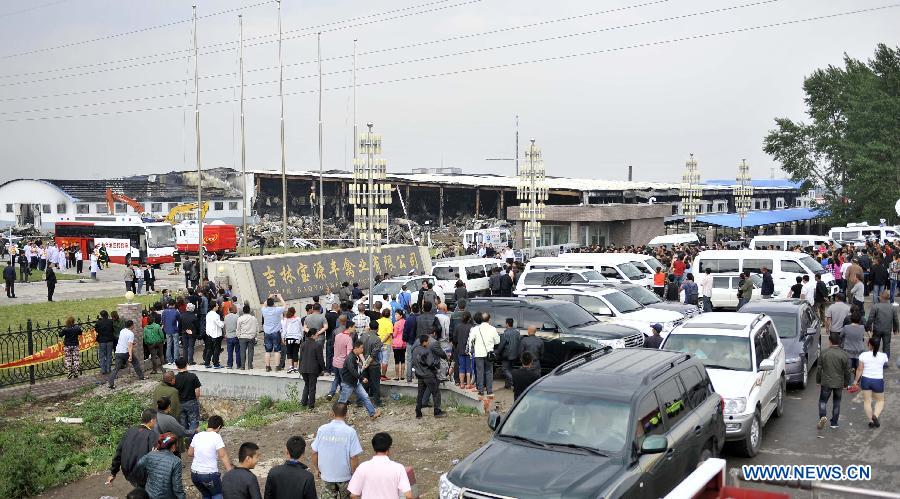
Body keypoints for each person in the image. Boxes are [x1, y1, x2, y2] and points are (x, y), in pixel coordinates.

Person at [312, 403, 365, 499]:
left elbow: (314, 452)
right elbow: (353, 457)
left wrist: (317, 469)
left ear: (332, 413)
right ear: (347, 414)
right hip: (345, 477)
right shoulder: (350, 432)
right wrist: (354, 474)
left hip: (327, 475)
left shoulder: (322, 429)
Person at [347, 433, 413, 499]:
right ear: (388, 448)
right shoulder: (398, 468)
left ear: (374, 448)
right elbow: (408, 495)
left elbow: (353, 495)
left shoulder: (362, 467)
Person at [107, 408, 158, 487]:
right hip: (143, 476)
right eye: (156, 420)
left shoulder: (129, 431)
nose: (156, 423)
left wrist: (113, 473)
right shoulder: (152, 435)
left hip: (128, 473)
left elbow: (118, 453)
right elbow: (154, 458)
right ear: (152, 420)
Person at [189, 415, 233, 499]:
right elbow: (222, 455)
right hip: (209, 475)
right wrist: (230, 472)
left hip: (194, 474)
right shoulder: (216, 436)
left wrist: (201, 453)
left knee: (206, 495)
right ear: (219, 427)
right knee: (217, 494)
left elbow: (190, 453)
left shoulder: (197, 435)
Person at [816, 332, 852, 430]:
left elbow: (819, 368)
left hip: (826, 382)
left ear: (830, 341)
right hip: (839, 383)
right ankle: (834, 423)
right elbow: (847, 371)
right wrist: (847, 383)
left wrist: (818, 380)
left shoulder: (824, 353)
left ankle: (823, 416)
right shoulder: (844, 354)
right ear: (839, 342)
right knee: (837, 402)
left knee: (823, 401)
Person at [338, 341, 382, 419]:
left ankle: (372, 414)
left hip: (356, 382)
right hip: (348, 383)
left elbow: (355, 368)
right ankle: (337, 416)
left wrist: (361, 366)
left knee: (365, 397)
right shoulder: (350, 358)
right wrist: (362, 378)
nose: (362, 349)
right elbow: (352, 371)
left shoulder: (355, 356)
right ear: (356, 348)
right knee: (342, 401)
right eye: (361, 347)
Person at [135, 432, 186, 499]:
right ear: (173, 446)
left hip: (150, 493)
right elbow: (177, 487)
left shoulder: (151, 455)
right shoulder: (176, 461)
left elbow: (139, 464)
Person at [853, 337, 889, 429]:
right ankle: (875, 415)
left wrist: (855, 381)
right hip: (878, 381)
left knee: (867, 401)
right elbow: (885, 362)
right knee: (880, 401)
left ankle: (870, 421)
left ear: (869, 344)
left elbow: (860, 369)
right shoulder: (883, 356)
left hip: (866, 380)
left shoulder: (863, 355)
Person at [413, 334, 446, 419]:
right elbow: (430, 363)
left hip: (420, 375)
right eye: (428, 341)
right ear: (424, 342)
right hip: (428, 375)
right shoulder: (425, 351)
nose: (428, 343)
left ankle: (418, 412)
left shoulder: (415, 350)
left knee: (420, 394)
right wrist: (436, 366)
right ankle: (437, 412)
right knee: (436, 393)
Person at [469, 312, 500, 400]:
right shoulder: (493, 329)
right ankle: (489, 390)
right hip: (489, 353)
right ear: (489, 319)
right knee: (489, 371)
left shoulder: (475, 329)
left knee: (480, 372)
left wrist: (471, 351)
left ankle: (481, 390)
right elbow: (497, 341)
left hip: (478, 353)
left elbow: (471, 340)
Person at [109, 320, 145, 389]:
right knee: (135, 363)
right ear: (131, 325)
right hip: (125, 352)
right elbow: (129, 346)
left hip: (118, 351)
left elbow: (124, 340)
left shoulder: (122, 331)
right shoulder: (131, 333)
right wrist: (130, 355)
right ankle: (141, 377)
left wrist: (132, 343)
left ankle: (111, 383)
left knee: (116, 368)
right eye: (133, 325)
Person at [327, 319, 354, 401]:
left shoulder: (338, 335)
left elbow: (334, 347)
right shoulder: (348, 338)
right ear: (349, 328)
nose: (355, 329)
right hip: (343, 363)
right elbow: (349, 353)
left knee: (336, 378)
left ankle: (331, 393)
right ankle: (344, 399)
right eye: (354, 327)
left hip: (335, 361)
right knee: (344, 381)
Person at [867, 290, 898, 360]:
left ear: (880, 297)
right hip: (887, 330)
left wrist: (868, 328)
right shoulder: (892, 307)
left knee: (875, 344)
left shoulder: (875, 306)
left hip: (877, 329)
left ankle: (874, 358)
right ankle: (885, 361)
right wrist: (895, 329)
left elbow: (870, 318)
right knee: (886, 345)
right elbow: (895, 320)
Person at [298, 327, 325, 409]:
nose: (318, 335)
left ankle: (303, 402)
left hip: (303, 368)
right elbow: (320, 359)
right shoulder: (317, 345)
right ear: (313, 335)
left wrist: (300, 368)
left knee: (307, 385)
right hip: (313, 369)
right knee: (312, 386)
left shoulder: (303, 344)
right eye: (317, 333)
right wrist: (323, 368)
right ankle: (311, 405)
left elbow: (301, 357)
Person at [175, 357, 202, 432]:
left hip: (180, 403)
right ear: (187, 365)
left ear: (176, 366)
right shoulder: (193, 376)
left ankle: (185, 440)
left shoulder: (175, 378)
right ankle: (192, 440)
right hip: (191, 401)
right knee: (193, 422)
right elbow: (197, 391)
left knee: (183, 423)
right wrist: (196, 399)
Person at [261, 294, 286, 372]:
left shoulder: (264, 310)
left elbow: (264, 304)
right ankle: (277, 366)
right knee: (277, 350)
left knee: (267, 350)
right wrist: (280, 297)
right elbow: (285, 305)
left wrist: (269, 297)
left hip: (267, 333)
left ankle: (267, 367)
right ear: (274, 304)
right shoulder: (277, 310)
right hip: (276, 332)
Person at [496, 317, 521, 389]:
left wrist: (498, 353)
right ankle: (507, 385)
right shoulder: (517, 333)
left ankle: (514, 382)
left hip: (507, 355)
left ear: (507, 324)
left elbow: (501, 345)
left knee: (504, 369)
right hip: (515, 355)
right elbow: (519, 343)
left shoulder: (505, 334)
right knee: (510, 369)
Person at [236, 304, 258, 370]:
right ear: (249, 311)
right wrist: (255, 335)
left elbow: (238, 328)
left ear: (243, 311)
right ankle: (250, 366)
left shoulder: (240, 318)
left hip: (242, 337)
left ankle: (242, 366)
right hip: (251, 337)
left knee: (242, 352)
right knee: (251, 352)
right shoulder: (253, 318)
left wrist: (238, 336)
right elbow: (257, 328)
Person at [281, 307, 302, 374]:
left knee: (289, 352)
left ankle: (290, 366)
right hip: (296, 338)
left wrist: (283, 338)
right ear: (294, 312)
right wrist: (301, 336)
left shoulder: (285, 320)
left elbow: (284, 330)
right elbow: (301, 329)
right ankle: (296, 367)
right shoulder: (298, 319)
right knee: (295, 352)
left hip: (289, 337)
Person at [204, 302, 225, 369]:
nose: (218, 306)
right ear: (214, 307)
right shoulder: (215, 315)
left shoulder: (208, 314)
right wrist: (223, 323)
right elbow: (220, 324)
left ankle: (207, 363)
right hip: (216, 334)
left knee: (209, 349)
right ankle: (216, 363)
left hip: (209, 334)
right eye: (217, 305)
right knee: (216, 349)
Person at [96, 310, 117, 374]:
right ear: (107, 315)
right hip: (110, 340)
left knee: (102, 356)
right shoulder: (111, 321)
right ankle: (108, 369)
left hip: (102, 341)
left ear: (101, 315)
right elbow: (113, 329)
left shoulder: (98, 322)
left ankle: (103, 370)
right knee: (109, 355)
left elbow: (96, 330)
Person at [161, 301, 181, 366]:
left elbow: (163, 321)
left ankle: (169, 360)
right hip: (174, 330)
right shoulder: (176, 312)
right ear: (174, 305)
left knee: (168, 345)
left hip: (167, 330)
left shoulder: (164, 312)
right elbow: (179, 320)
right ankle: (176, 359)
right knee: (176, 345)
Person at [391, 310, 407, 381]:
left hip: (397, 343)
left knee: (397, 360)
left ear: (401, 315)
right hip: (404, 343)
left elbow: (394, 334)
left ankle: (397, 376)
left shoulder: (396, 323)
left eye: (397, 314)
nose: (395, 316)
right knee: (403, 359)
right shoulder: (405, 322)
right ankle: (402, 375)